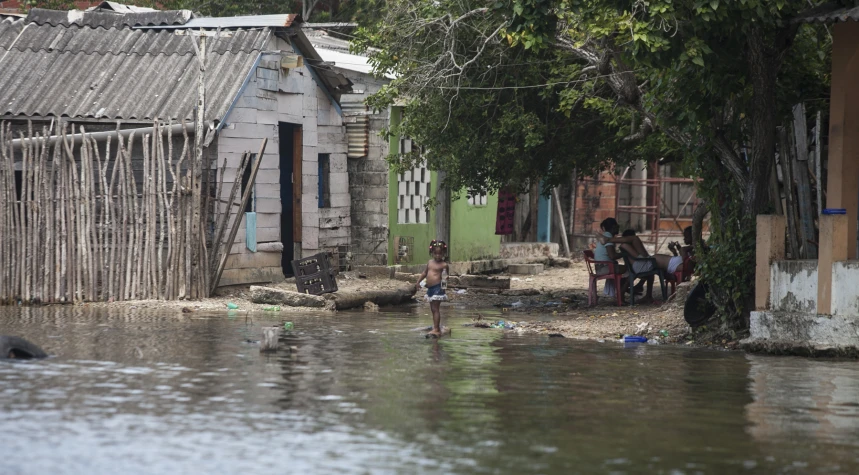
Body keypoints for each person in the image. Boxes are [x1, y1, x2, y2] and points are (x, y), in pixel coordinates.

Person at [597, 218, 680, 303]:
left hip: (639, 265)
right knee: (652, 265)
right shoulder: (625, 244)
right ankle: (625, 291)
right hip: (639, 266)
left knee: (651, 272)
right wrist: (645, 256)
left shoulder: (625, 245)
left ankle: (645, 293)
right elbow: (638, 258)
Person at [415, 240, 450, 338]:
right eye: (435, 253)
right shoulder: (430, 262)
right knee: (433, 309)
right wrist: (418, 282)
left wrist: (445, 282)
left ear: (443, 253)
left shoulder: (444, 265)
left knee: (435, 309)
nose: (438, 256)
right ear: (432, 253)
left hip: (438, 288)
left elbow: (446, 277)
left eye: (440, 254)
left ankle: (436, 329)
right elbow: (424, 273)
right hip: (430, 288)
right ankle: (435, 327)